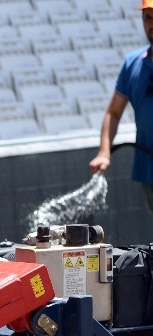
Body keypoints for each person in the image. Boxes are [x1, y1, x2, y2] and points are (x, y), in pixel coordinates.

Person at [89, 1, 153, 208]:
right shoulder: (132, 64)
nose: (152, 23)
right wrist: (104, 152)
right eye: (148, 17)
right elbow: (114, 113)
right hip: (149, 171)